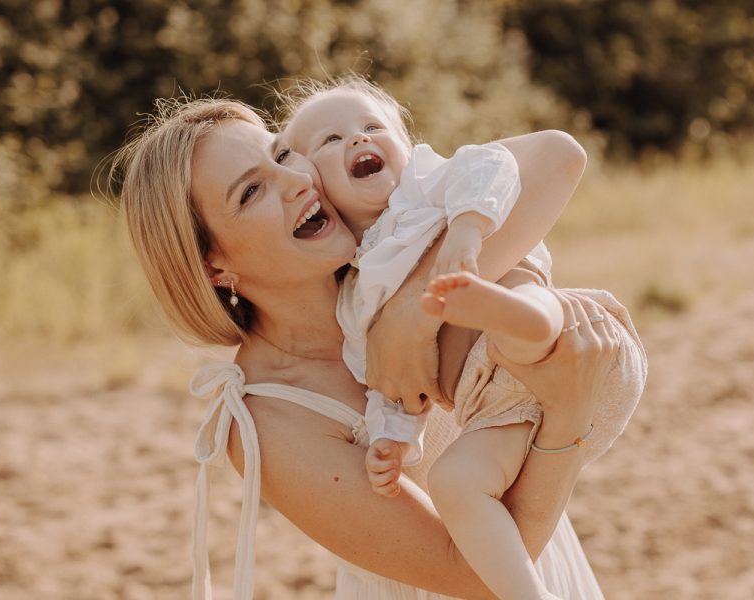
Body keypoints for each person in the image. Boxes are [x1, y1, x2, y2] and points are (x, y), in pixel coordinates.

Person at [113, 95, 619, 600]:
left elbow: (557, 155)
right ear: (212, 265)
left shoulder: (398, 251)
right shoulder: (268, 421)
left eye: (282, 154)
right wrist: (567, 418)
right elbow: (471, 577)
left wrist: (411, 315)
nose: (297, 182)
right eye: (250, 191)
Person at [281, 79, 647, 599]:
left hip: (572, 346)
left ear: (406, 149)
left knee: (527, 304)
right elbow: (388, 376)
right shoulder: (353, 295)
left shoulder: (425, 185)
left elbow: (488, 167)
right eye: (331, 141)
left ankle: (506, 312)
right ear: (314, 187)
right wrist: (393, 439)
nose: (358, 141)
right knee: (454, 483)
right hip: (500, 411)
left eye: (371, 127)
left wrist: (467, 231)